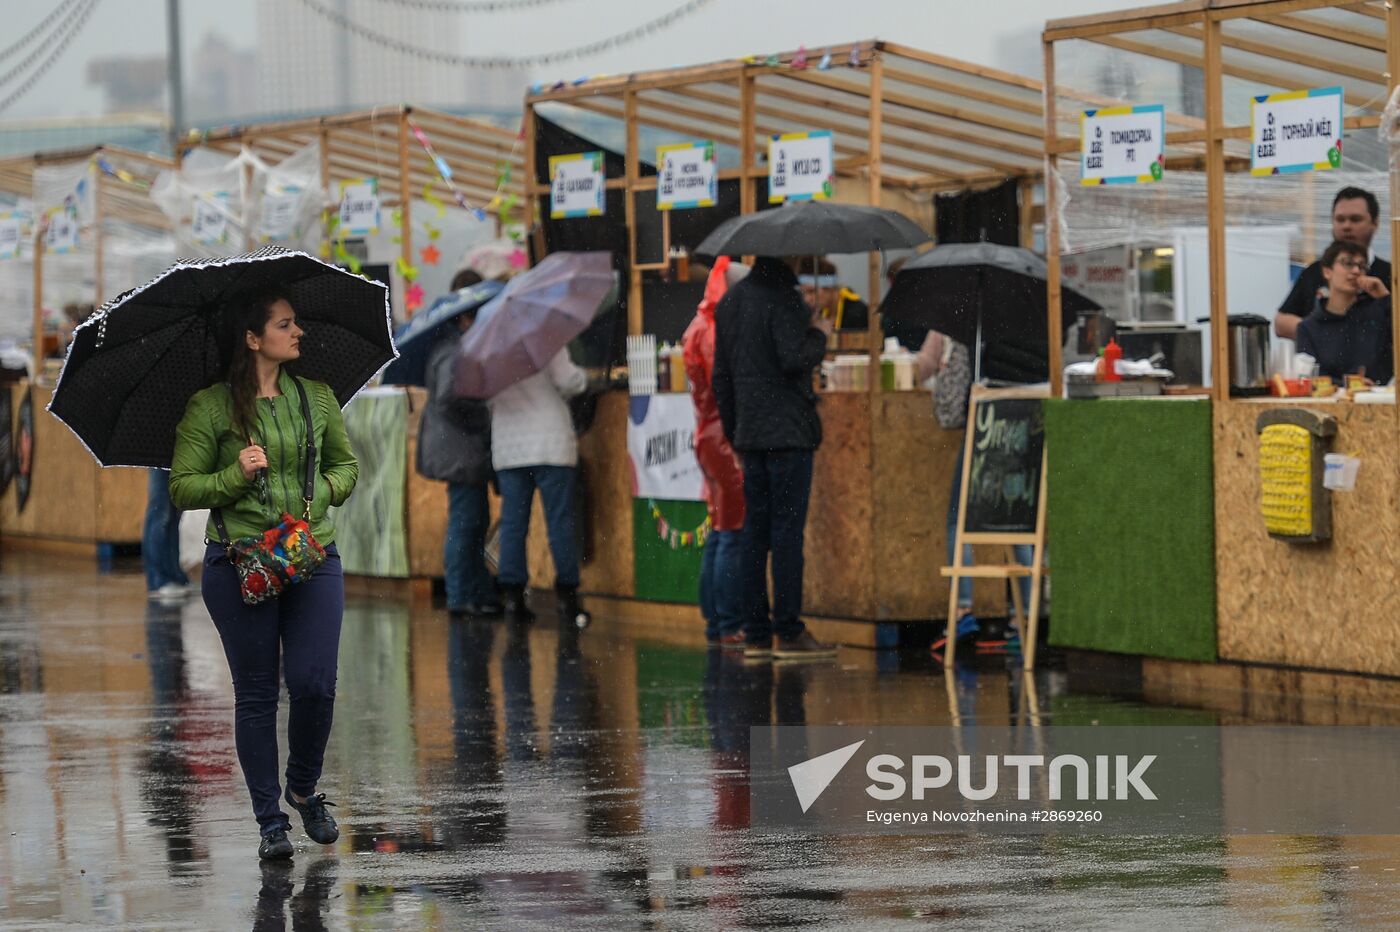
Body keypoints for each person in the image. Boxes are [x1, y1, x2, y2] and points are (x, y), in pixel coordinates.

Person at [169, 286, 358, 861]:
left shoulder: (317, 399)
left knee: (314, 682)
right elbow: (182, 487)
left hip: (310, 554)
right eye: (284, 324)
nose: (297, 332)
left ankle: (302, 786)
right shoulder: (210, 407)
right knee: (255, 695)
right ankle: (269, 820)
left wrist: (319, 496)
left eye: (295, 322)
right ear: (253, 339)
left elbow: (345, 467)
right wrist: (235, 474)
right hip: (238, 564)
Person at [712, 256, 837, 659]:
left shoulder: (730, 303)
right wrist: (818, 334)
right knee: (786, 535)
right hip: (788, 433)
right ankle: (789, 629)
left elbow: (721, 376)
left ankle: (757, 633)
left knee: (755, 534)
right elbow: (791, 357)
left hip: (751, 435)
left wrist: (735, 431)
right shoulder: (784, 299)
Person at [418, 268, 501, 618]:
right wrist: (485, 416)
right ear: (467, 314)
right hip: (461, 452)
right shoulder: (458, 351)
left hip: (459, 451)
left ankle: (473, 591)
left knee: (473, 519)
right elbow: (450, 399)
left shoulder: (452, 347)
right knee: (467, 522)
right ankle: (462, 595)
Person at [489, 343, 589, 626]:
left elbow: (484, 397)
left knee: (513, 525)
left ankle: (513, 599)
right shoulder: (543, 338)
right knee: (559, 522)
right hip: (550, 443)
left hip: (509, 448)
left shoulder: (488, 350)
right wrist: (585, 378)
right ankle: (567, 599)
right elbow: (569, 380)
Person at [682, 257, 747, 649]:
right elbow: (722, 385)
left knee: (720, 530)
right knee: (731, 532)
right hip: (723, 438)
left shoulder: (698, 324)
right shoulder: (714, 331)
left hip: (707, 435)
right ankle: (728, 622)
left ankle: (717, 620)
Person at [1276, 187, 1391, 340]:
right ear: (1327, 272)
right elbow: (1281, 322)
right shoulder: (1314, 271)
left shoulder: (1391, 274)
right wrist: (1323, 333)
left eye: (1355, 219)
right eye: (1340, 219)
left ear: (1375, 223)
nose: (1346, 226)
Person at [1295, 239, 1393, 385]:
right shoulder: (1308, 327)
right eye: (1348, 263)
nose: (1356, 271)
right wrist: (1347, 384)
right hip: (1332, 403)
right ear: (1327, 271)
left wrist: (1385, 298)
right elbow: (1309, 374)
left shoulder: (1377, 312)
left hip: (1381, 400)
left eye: (1362, 266)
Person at [143, 467, 190, 600]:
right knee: (160, 511)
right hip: (159, 456)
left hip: (174, 455)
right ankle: (158, 579)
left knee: (172, 514)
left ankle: (174, 574)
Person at [795, 257, 870, 331]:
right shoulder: (815, 315)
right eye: (804, 293)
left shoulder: (858, 313)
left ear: (830, 288)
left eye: (812, 291)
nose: (806, 299)